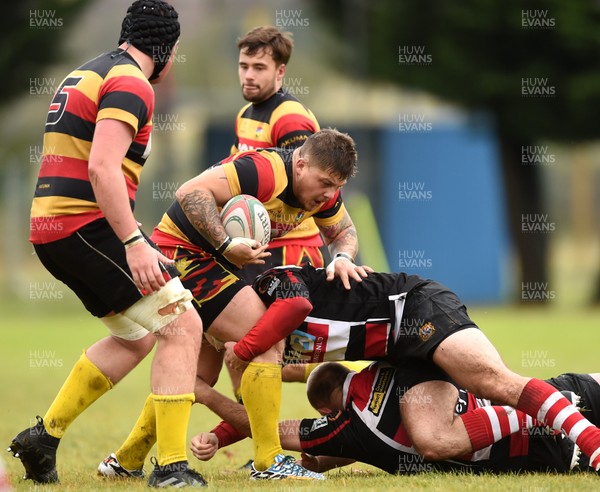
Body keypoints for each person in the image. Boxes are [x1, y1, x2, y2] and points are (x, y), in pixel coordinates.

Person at [9, 1, 206, 487]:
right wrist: (134, 241)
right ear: (166, 48)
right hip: (83, 225)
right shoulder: (131, 82)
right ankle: (173, 469)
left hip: (53, 228)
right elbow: (101, 167)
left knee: (135, 338)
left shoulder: (87, 72)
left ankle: (43, 439)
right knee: (183, 326)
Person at [96, 128, 368, 480]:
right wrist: (225, 244)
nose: (329, 194)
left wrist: (342, 258)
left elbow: (343, 232)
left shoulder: (323, 193)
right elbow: (189, 191)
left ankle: (126, 460)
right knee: (267, 339)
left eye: (337, 186)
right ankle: (269, 461)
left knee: (196, 376)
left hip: (220, 266)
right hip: (184, 255)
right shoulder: (266, 170)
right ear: (300, 164)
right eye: (325, 182)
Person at [221, 264, 600, 470]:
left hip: (416, 309)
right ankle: (559, 409)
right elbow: (266, 394)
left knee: (489, 385)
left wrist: (219, 376)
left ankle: (579, 430)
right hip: (408, 350)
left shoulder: (272, 287)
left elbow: (265, 419)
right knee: (441, 434)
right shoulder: (358, 405)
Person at [191, 360, 600, 476]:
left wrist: (207, 396)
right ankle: (560, 402)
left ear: (326, 410)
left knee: (436, 442)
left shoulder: (347, 426)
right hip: (555, 393)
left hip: (544, 450)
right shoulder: (386, 363)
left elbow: (265, 427)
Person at [231, 26, 326, 284]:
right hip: (258, 246)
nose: (248, 75)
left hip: (292, 248)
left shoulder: (290, 118)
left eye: (259, 67)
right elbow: (233, 176)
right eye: (244, 66)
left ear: (280, 71)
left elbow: (306, 187)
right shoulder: (244, 115)